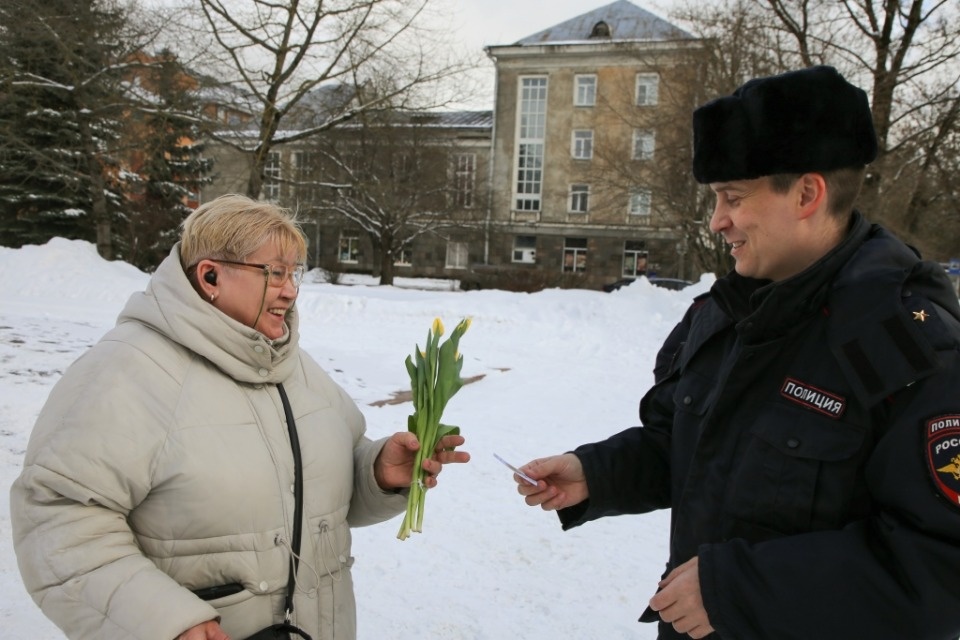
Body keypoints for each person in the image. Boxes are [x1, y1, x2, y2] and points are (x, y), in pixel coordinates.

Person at [514, 66, 960, 639]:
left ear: (806, 193)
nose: (717, 220)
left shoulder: (902, 342)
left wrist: (738, 590)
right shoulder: (728, 310)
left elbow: (940, 567)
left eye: (733, 198)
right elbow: (689, 446)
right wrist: (594, 474)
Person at [10, 194, 469, 640]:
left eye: (295, 273)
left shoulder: (297, 369)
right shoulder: (124, 373)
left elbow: (321, 496)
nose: (290, 290)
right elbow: (57, 523)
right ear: (211, 276)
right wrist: (163, 623)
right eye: (274, 272)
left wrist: (377, 473)